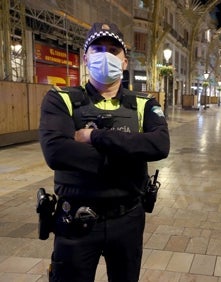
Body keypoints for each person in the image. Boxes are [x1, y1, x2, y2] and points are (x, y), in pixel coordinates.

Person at [39, 22, 170, 282]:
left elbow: (159, 145)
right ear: (86, 57)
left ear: (124, 62)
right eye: (97, 48)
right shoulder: (61, 99)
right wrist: (130, 156)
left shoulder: (144, 104)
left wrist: (94, 136)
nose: (105, 55)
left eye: (113, 50)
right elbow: (56, 152)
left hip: (127, 219)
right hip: (75, 219)